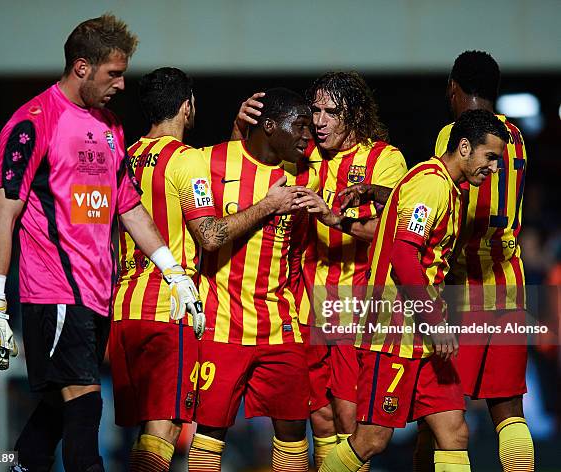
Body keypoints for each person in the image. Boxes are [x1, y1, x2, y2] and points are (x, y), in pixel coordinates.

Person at [0, 16, 203, 472]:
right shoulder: (33, 122)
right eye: (113, 73)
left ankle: (21, 465)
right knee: (85, 404)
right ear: (81, 67)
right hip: (53, 292)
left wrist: (173, 272)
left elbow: (128, 207)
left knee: (60, 407)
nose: (121, 83)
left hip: (98, 296)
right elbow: (4, 217)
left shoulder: (111, 127)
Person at [110, 68, 305, 471]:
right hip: (169, 306)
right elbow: (211, 235)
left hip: (124, 309)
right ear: (187, 106)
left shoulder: (125, 155)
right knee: (164, 430)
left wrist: (238, 134)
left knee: (147, 430)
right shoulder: (187, 159)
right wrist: (269, 204)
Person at [233, 72, 407, 469]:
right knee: (319, 416)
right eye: (316, 110)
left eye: (332, 112)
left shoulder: (383, 158)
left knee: (349, 415)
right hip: (303, 305)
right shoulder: (302, 152)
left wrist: (333, 218)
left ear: (357, 115)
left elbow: (395, 229)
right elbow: (242, 170)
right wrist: (241, 126)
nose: (321, 120)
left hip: (356, 303)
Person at [320, 109, 510, 472]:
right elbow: (403, 256)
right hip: (393, 333)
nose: (494, 169)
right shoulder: (432, 185)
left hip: (422, 335)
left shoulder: (450, 188)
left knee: (454, 433)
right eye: (491, 158)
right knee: (371, 440)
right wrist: (436, 321)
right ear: (465, 147)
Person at [186, 88, 318, 472]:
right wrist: (267, 206)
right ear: (271, 126)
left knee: (295, 434)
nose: (307, 136)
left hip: (280, 328)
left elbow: (295, 253)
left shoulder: (302, 175)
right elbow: (207, 238)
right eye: (300, 126)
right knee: (210, 435)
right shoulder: (209, 162)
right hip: (221, 327)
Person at [422, 50, 533, 472]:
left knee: (439, 415)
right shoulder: (517, 138)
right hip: (510, 285)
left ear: (454, 89)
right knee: (509, 412)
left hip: (460, 291)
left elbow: (440, 200)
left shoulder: (454, 136)